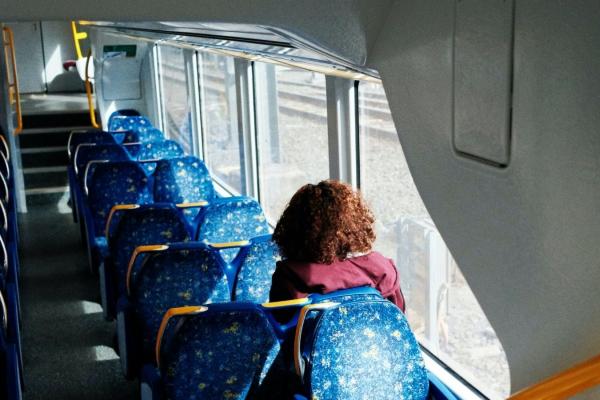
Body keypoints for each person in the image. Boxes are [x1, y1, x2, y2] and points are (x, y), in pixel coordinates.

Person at [269, 180, 405, 314]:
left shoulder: (290, 276)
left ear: (295, 228)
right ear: (357, 224)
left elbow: (279, 326)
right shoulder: (383, 269)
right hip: (376, 336)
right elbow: (399, 320)